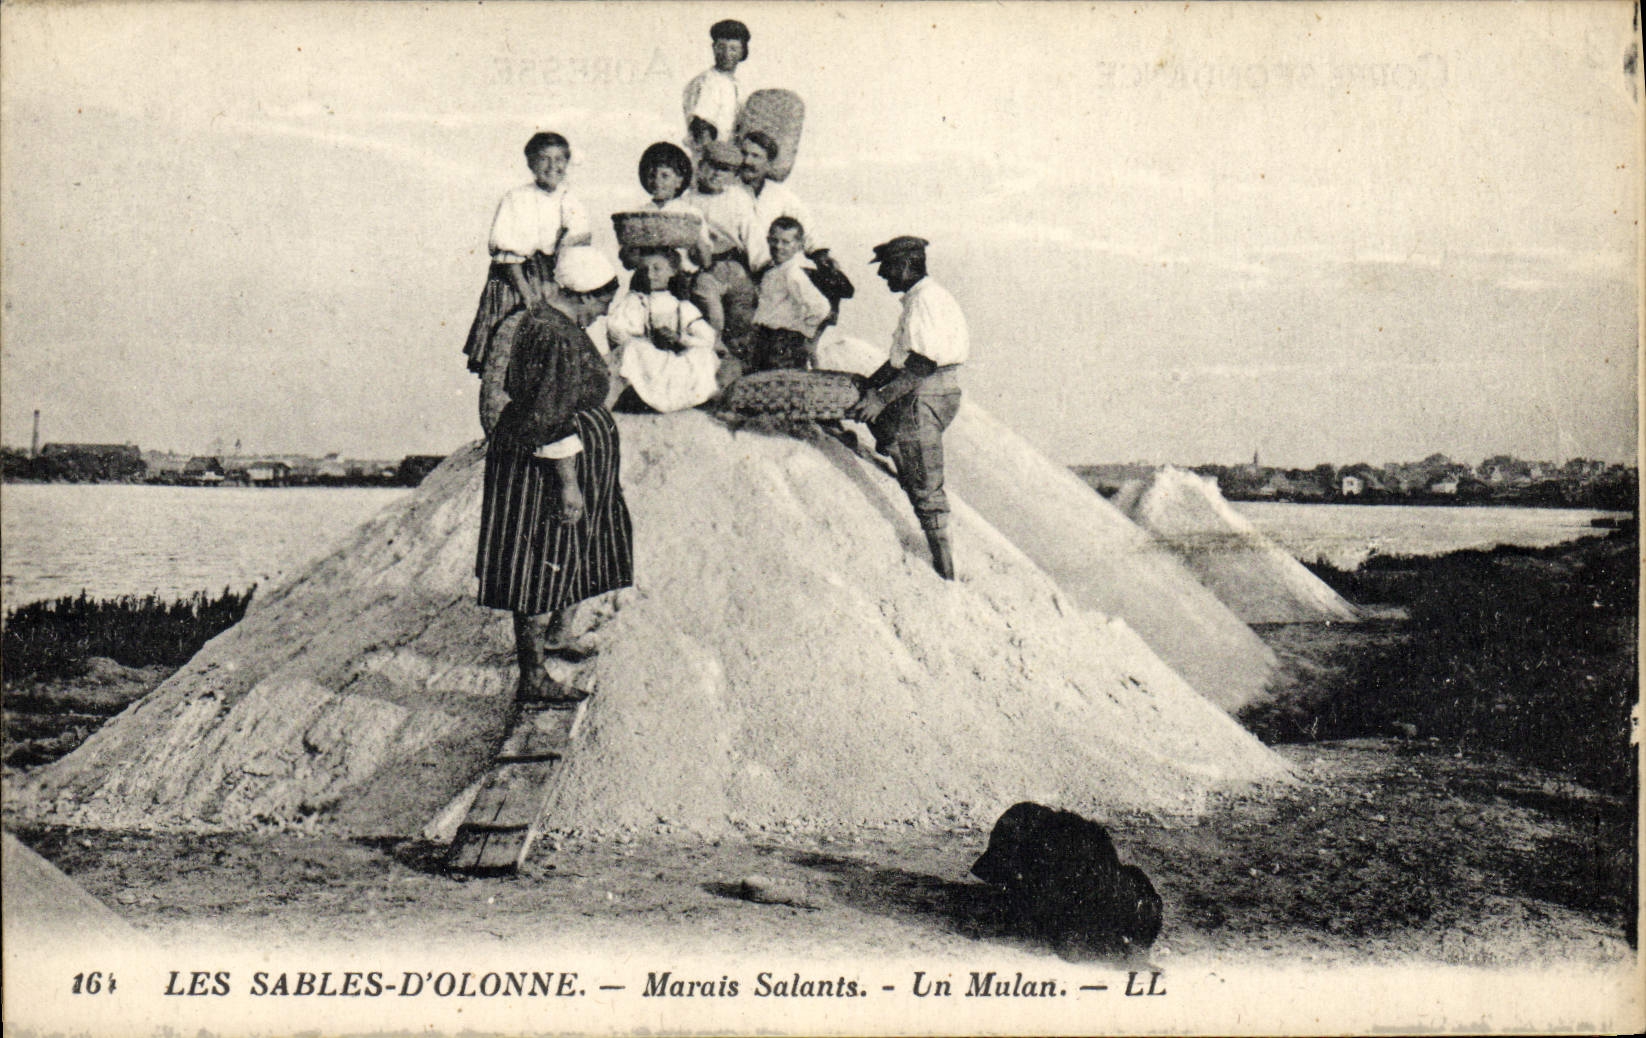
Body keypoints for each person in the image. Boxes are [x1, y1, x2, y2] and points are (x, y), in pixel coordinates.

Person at [476, 247, 632, 704]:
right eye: (603, 302)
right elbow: (551, 417)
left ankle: (555, 640)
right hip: (542, 466)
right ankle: (533, 677)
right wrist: (568, 484)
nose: (604, 312)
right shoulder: (555, 335)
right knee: (538, 561)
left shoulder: (548, 323)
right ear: (587, 295)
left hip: (547, 453)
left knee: (557, 556)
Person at [846, 236, 970, 580]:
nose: (883, 276)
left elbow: (921, 364)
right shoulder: (926, 297)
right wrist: (870, 383)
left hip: (925, 390)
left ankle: (945, 572)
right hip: (933, 387)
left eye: (886, 269)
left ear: (904, 265)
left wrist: (880, 399)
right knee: (895, 440)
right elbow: (900, 359)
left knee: (924, 482)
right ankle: (903, 466)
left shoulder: (924, 302)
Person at [462, 132, 592, 374]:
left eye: (559, 159)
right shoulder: (517, 199)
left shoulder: (571, 200)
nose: (553, 166)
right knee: (511, 350)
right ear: (531, 163)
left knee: (557, 352)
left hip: (555, 278)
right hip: (517, 280)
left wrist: (556, 282)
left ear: (567, 162)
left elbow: (577, 245)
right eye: (544, 159)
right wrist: (527, 292)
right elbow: (509, 254)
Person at [607, 247, 720, 413]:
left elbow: (708, 338)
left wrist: (680, 339)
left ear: (673, 271)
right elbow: (617, 330)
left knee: (704, 355)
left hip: (675, 362)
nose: (650, 275)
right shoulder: (636, 301)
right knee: (633, 349)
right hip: (648, 361)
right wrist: (640, 339)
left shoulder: (682, 307)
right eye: (645, 270)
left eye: (657, 269)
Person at [685, 139, 760, 361]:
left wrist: (760, 268)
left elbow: (752, 234)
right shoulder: (689, 200)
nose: (717, 174)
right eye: (713, 167)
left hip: (736, 266)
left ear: (734, 175)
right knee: (712, 316)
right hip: (706, 268)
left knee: (743, 315)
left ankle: (739, 361)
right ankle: (713, 352)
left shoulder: (738, 198)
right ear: (701, 165)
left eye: (725, 170)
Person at [748, 217, 831, 372]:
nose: (778, 246)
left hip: (784, 343)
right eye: (774, 240)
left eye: (786, 242)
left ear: (799, 245)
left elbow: (821, 307)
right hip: (766, 339)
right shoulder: (773, 270)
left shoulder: (793, 273)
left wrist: (803, 329)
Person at [739, 131, 820, 274]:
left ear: (769, 163)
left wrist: (821, 254)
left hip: (775, 268)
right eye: (744, 153)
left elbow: (807, 228)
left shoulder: (780, 195)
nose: (747, 161)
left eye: (755, 156)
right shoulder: (729, 190)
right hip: (738, 266)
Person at [681, 19, 749, 158]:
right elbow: (701, 127)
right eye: (721, 47)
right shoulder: (709, 81)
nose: (726, 54)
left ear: (742, 52)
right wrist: (714, 157)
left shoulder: (737, 85)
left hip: (728, 160)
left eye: (733, 48)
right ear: (713, 48)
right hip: (710, 160)